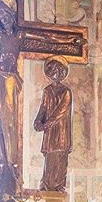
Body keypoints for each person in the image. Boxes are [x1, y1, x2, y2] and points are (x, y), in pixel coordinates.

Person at [34, 56, 73, 192]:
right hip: (50, 132)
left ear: (62, 72)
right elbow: (43, 108)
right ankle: (47, 184)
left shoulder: (66, 91)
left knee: (60, 155)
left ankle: (58, 185)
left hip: (61, 129)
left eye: (59, 70)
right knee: (50, 156)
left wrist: (46, 124)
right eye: (53, 70)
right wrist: (38, 121)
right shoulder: (47, 91)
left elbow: (61, 110)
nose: (56, 73)